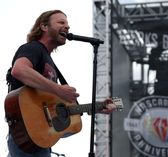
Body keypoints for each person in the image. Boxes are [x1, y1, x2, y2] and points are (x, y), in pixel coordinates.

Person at [5, 10, 115, 157]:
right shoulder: (33, 48)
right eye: (61, 22)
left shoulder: (49, 61)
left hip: (39, 138)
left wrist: (97, 107)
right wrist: (58, 89)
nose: (67, 27)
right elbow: (19, 70)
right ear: (44, 26)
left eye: (68, 24)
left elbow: (52, 108)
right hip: (26, 137)